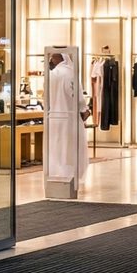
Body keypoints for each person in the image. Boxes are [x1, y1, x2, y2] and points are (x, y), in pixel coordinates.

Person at [45, 51, 89, 189]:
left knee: (57, 147)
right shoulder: (70, 73)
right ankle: (70, 175)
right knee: (71, 148)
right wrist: (84, 109)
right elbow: (76, 95)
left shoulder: (51, 75)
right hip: (69, 117)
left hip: (54, 117)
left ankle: (58, 174)